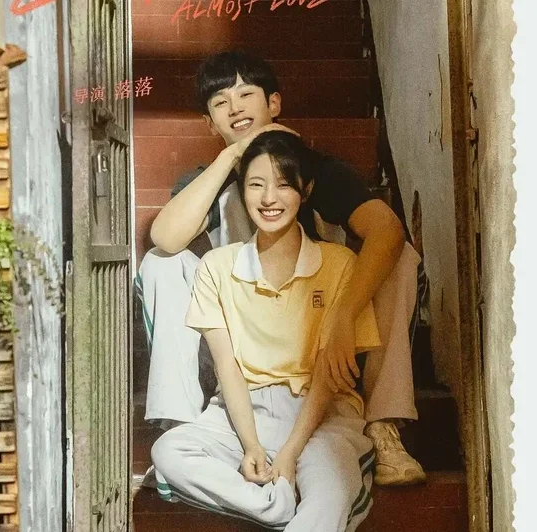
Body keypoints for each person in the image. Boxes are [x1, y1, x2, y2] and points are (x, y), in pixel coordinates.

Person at [136, 50, 425, 485]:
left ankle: (382, 426)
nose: (235, 108)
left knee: (398, 257)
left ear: (274, 104)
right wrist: (232, 157)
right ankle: (181, 424)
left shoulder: (315, 170)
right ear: (210, 124)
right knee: (162, 263)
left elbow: (387, 229)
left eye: (245, 94)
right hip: (240, 351)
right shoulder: (210, 180)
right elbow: (165, 236)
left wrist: (344, 315)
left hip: (326, 338)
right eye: (220, 102)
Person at [152, 131, 380, 532]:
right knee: (169, 451)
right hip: (242, 414)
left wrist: (289, 452)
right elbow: (227, 367)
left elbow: (328, 374)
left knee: (330, 495)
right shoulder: (217, 266)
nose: (269, 198)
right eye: (256, 185)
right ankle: (271, 508)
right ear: (242, 191)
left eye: (284, 184)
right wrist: (252, 445)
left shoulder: (340, 264)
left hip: (322, 415)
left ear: (306, 190)